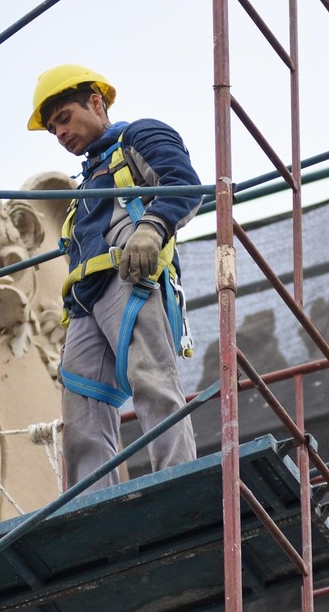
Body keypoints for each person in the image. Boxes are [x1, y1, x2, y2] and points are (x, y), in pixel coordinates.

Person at [27, 65, 201, 489]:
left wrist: (153, 225)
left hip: (131, 277)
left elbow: (185, 184)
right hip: (86, 301)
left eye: (64, 118)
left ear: (96, 103)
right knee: (81, 406)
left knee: (152, 378)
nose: (60, 133)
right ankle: (90, 500)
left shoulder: (139, 136)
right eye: (52, 129)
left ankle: (177, 479)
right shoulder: (86, 182)